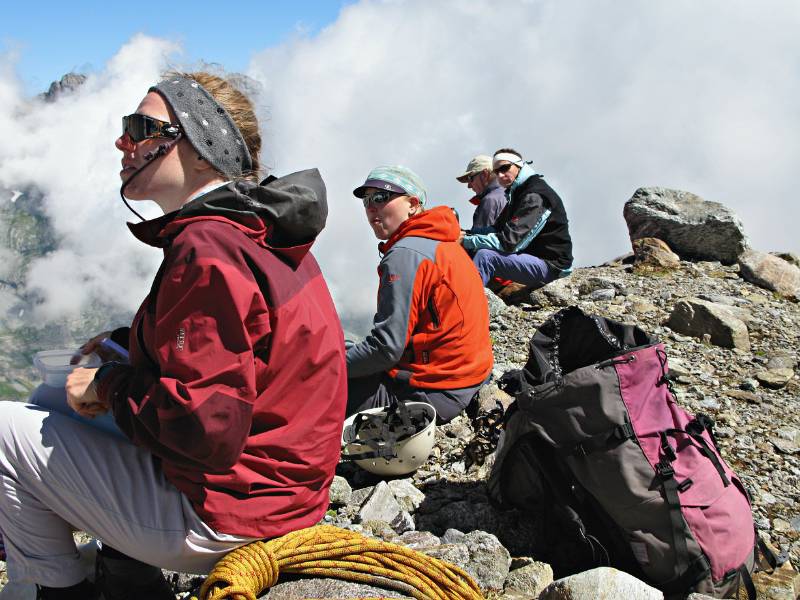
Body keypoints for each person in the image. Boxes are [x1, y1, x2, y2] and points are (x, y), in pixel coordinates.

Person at [0, 72, 347, 600]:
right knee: (53, 396)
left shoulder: (207, 249)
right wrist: (126, 341)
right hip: (282, 490)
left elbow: (202, 428)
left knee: (4, 430)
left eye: (142, 128)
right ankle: (125, 576)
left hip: (232, 512)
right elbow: (243, 342)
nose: (124, 141)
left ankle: (58, 591)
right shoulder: (256, 230)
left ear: (204, 150)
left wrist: (108, 385)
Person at [346, 166, 493, 425]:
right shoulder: (441, 240)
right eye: (366, 201)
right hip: (469, 377)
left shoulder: (405, 254)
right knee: (343, 350)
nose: (371, 207)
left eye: (381, 198)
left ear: (413, 205)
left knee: (314, 380)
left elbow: (385, 349)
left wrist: (327, 364)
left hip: (434, 392)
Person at [461, 148, 573, 288]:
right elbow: (497, 228)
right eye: (496, 172)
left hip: (552, 267)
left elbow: (509, 243)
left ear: (519, 165)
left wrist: (465, 241)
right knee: (482, 253)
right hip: (535, 258)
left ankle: (465, 304)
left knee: (485, 257)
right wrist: (467, 234)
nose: (500, 175)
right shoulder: (517, 191)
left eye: (505, 168)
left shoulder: (534, 195)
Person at [455, 154, 506, 229]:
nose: (469, 186)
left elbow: (481, 239)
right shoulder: (507, 194)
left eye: (470, 178)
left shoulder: (490, 200)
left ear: (485, 174)